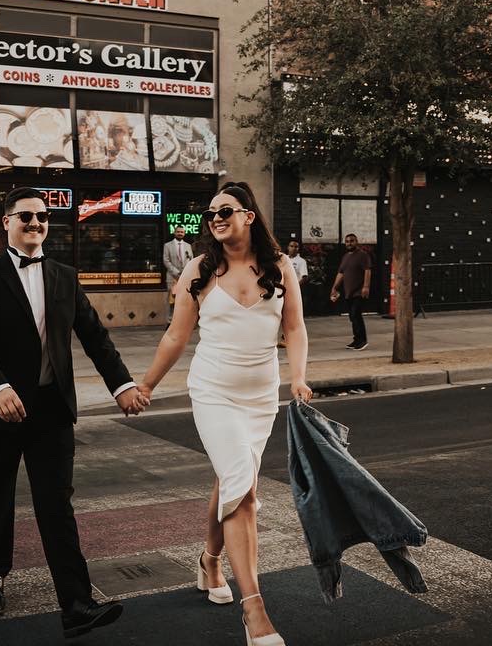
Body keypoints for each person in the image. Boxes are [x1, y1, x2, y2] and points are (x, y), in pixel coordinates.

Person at [0, 187, 149, 639]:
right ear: (7, 222)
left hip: (50, 410)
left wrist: (122, 385)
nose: (35, 224)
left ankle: (77, 605)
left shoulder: (64, 275)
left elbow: (95, 337)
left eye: (42, 217)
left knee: (56, 505)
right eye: (25, 217)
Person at [137, 181, 312, 646]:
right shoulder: (198, 269)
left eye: (226, 210)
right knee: (243, 489)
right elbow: (175, 337)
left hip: (261, 399)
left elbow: (294, 328)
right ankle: (254, 610)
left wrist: (297, 376)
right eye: (210, 213)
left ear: (249, 216)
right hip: (212, 392)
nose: (215, 218)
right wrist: (147, 385)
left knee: (232, 483)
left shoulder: (279, 268)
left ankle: (209, 560)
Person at [329, 233, 372, 350]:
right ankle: (356, 340)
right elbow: (340, 273)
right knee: (352, 317)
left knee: (356, 315)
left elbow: (367, 271)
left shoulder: (363, 255)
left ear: (356, 242)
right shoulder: (345, 257)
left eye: (352, 241)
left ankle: (362, 341)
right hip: (349, 292)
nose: (349, 243)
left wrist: (366, 286)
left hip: (359, 291)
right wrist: (334, 287)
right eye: (347, 241)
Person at [281, 239, 310, 348]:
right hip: (282, 291)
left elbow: (304, 277)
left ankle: (290, 339)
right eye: (292, 246)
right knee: (281, 315)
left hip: (294, 292)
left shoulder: (301, 261)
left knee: (291, 315)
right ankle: (284, 338)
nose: (294, 248)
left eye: (296, 246)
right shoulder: (284, 259)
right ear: (288, 247)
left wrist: (294, 287)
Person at [163, 225, 192, 314]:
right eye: (178, 232)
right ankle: (169, 322)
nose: (180, 234)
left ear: (184, 233)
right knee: (171, 301)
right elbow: (166, 260)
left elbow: (191, 260)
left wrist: (185, 273)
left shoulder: (188, 246)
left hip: (184, 278)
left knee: (183, 300)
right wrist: (177, 272)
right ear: (174, 233)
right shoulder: (167, 245)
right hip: (172, 278)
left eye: (182, 232)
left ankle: (181, 321)